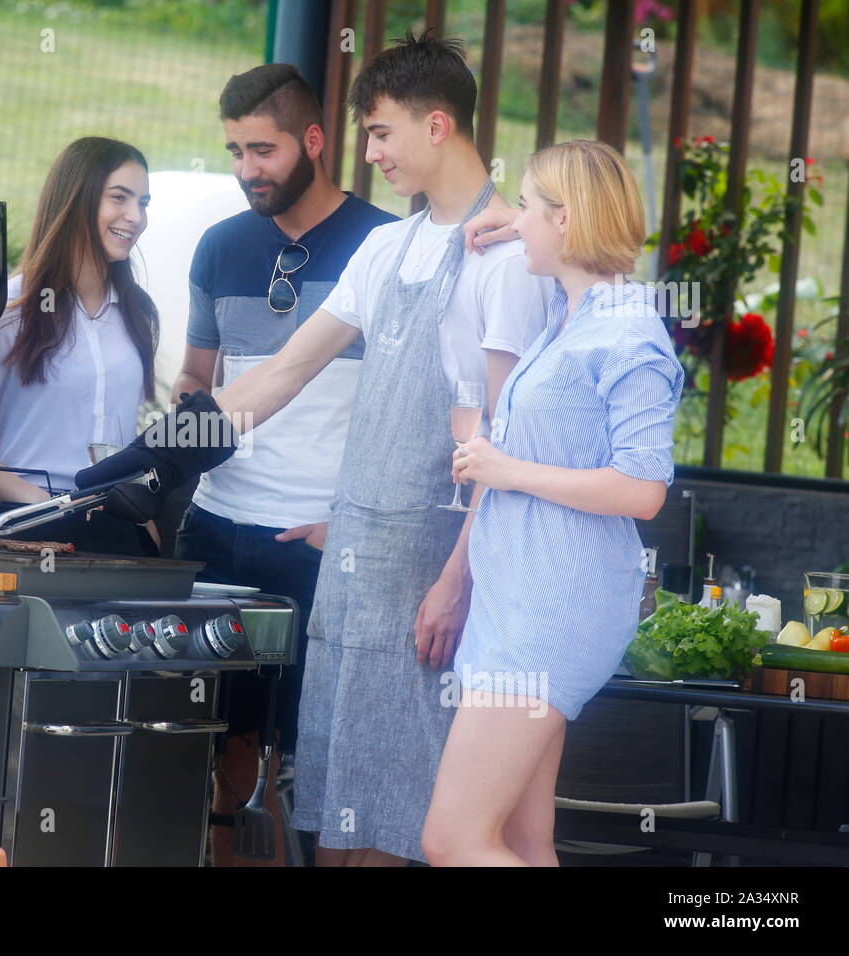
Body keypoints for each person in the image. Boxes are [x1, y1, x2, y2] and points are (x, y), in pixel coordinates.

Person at [79, 29, 551, 865]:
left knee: (409, 823)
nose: (369, 153)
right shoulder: (388, 246)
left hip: (428, 575)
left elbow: (507, 446)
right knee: (336, 818)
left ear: (437, 126)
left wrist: (454, 581)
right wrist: (154, 454)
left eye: (380, 133)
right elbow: (278, 377)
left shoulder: (507, 255)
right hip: (351, 582)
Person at [420, 139, 684, 866]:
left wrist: (507, 470)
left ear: (565, 221)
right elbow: (552, 439)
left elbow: (643, 490)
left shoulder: (628, 334)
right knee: (521, 843)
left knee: (453, 842)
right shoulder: (570, 317)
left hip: (552, 608)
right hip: (521, 598)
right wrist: (517, 222)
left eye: (531, 208)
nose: (519, 221)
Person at [171, 62, 398, 867]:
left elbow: (407, 412)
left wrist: (353, 522)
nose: (245, 171)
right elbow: (199, 380)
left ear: (311, 140)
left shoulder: (385, 245)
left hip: (320, 536)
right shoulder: (220, 246)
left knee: (311, 746)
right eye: (233, 150)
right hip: (221, 527)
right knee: (223, 752)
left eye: (260, 150)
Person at [0, 136, 161, 555]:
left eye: (143, 202)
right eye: (119, 198)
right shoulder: (9, 309)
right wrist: (47, 505)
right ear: (77, 200)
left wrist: (150, 535)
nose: (135, 217)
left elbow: (124, 446)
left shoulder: (138, 313)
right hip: (23, 532)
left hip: (116, 532)